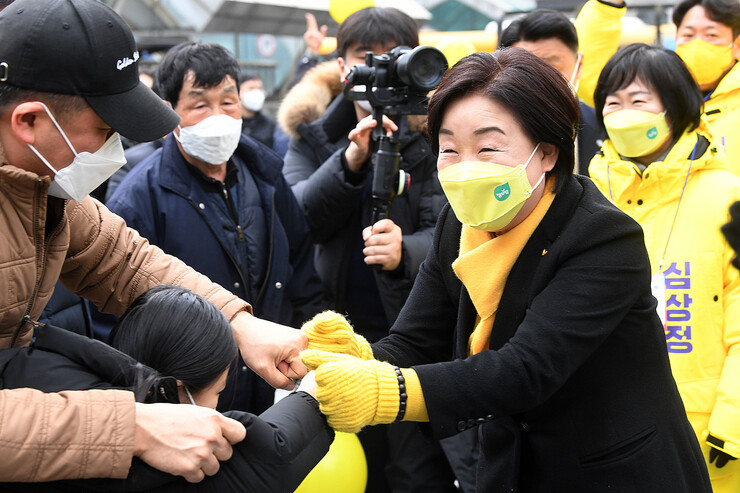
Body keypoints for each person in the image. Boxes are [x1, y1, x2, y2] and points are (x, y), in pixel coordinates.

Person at [299, 48, 713, 492]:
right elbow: (415, 341)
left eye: (488, 147)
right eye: (449, 149)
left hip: (616, 473)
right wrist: (359, 358)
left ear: (548, 153)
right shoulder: (456, 225)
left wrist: (389, 392)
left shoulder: (605, 239)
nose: (465, 168)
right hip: (512, 467)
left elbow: (524, 369)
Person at [0, 0, 308, 483]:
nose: (114, 152)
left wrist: (239, 325)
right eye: (103, 132)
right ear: (29, 121)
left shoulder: (42, 184)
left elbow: (120, 258)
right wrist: (132, 427)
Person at [278, 6, 453, 492]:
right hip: (335, 332)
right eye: (366, 59)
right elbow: (298, 219)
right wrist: (350, 159)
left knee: (416, 470)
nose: (380, 71)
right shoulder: (312, 135)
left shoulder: (440, 137)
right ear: (342, 67)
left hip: (415, 337)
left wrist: (407, 251)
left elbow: (453, 228)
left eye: (394, 58)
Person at [106, 41, 325, 415]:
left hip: (271, 382)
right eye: (199, 105)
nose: (218, 117)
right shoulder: (138, 200)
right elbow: (116, 321)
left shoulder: (267, 177)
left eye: (227, 102)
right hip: (192, 401)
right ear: (168, 112)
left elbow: (302, 272)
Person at [0, 285, 332, 492]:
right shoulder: (150, 469)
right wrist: (316, 395)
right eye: (217, 393)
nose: (215, 409)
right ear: (176, 392)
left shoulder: (53, 383)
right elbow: (267, 462)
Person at [587, 43, 740, 492]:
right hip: (603, 429)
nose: (623, 114)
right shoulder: (586, 195)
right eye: (612, 103)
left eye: (639, 101)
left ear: (674, 107)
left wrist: (732, 424)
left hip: (705, 432)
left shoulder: (728, 196)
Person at [575, 0, 740, 171]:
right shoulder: (658, 86)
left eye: (711, 35)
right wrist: (607, 6)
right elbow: (591, 77)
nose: (698, 44)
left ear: (737, 45)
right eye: (688, 35)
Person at [499, 10, 602, 176]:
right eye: (525, 71)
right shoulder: (483, 136)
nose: (541, 81)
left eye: (552, 68)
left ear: (579, 65)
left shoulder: (607, 131)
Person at [238, 73, 289, 157]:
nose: (256, 92)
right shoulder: (232, 123)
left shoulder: (271, 124)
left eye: (259, 88)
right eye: (251, 88)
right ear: (239, 92)